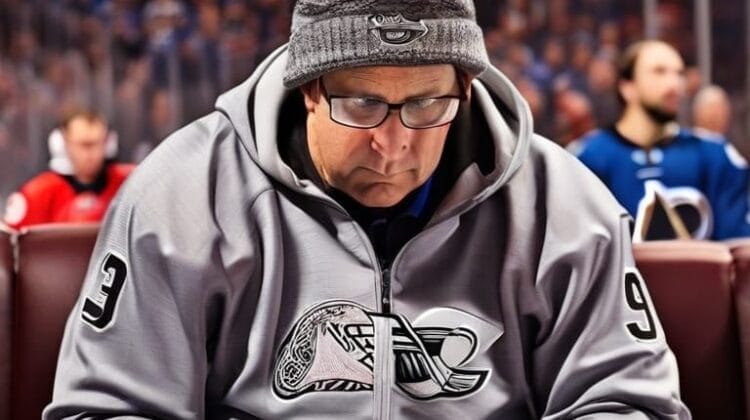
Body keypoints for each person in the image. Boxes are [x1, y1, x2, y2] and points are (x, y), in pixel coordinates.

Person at [45, 2, 689, 419]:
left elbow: (630, 402)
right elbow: (106, 406)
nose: (394, 143)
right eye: (361, 106)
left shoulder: (564, 206)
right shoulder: (181, 194)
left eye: (426, 105)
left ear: (465, 87)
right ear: (308, 89)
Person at [570, 40, 750, 240]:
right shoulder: (584, 159)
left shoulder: (716, 155)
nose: (674, 84)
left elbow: (738, 249)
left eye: (679, 73)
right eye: (659, 71)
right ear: (627, 87)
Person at [3, 108, 134, 229]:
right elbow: (8, 242)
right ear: (62, 144)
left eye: (97, 143)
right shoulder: (35, 194)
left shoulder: (130, 184)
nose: (91, 153)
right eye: (84, 145)